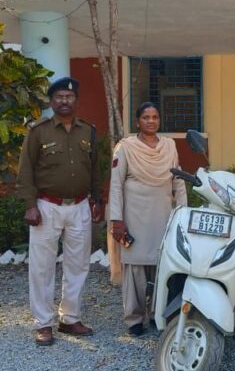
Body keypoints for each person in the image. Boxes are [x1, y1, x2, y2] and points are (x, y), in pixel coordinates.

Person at [16, 76, 104, 346]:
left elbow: (95, 168)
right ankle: (43, 323)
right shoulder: (38, 131)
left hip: (79, 206)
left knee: (78, 264)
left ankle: (70, 318)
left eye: (69, 97)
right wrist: (30, 205)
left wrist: (98, 199)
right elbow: (25, 171)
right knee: (42, 267)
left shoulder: (87, 131)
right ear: (52, 101)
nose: (64, 101)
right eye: (59, 97)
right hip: (47, 206)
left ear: (76, 100)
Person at [108, 102, 187, 336]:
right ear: (137, 122)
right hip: (134, 217)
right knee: (135, 266)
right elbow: (115, 185)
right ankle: (134, 318)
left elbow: (178, 180)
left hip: (162, 215)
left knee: (161, 264)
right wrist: (116, 219)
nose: (151, 121)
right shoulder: (125, 147)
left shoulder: (169, 146)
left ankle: (156, 314)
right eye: (145, 117)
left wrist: (183, 213)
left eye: (155, 117)